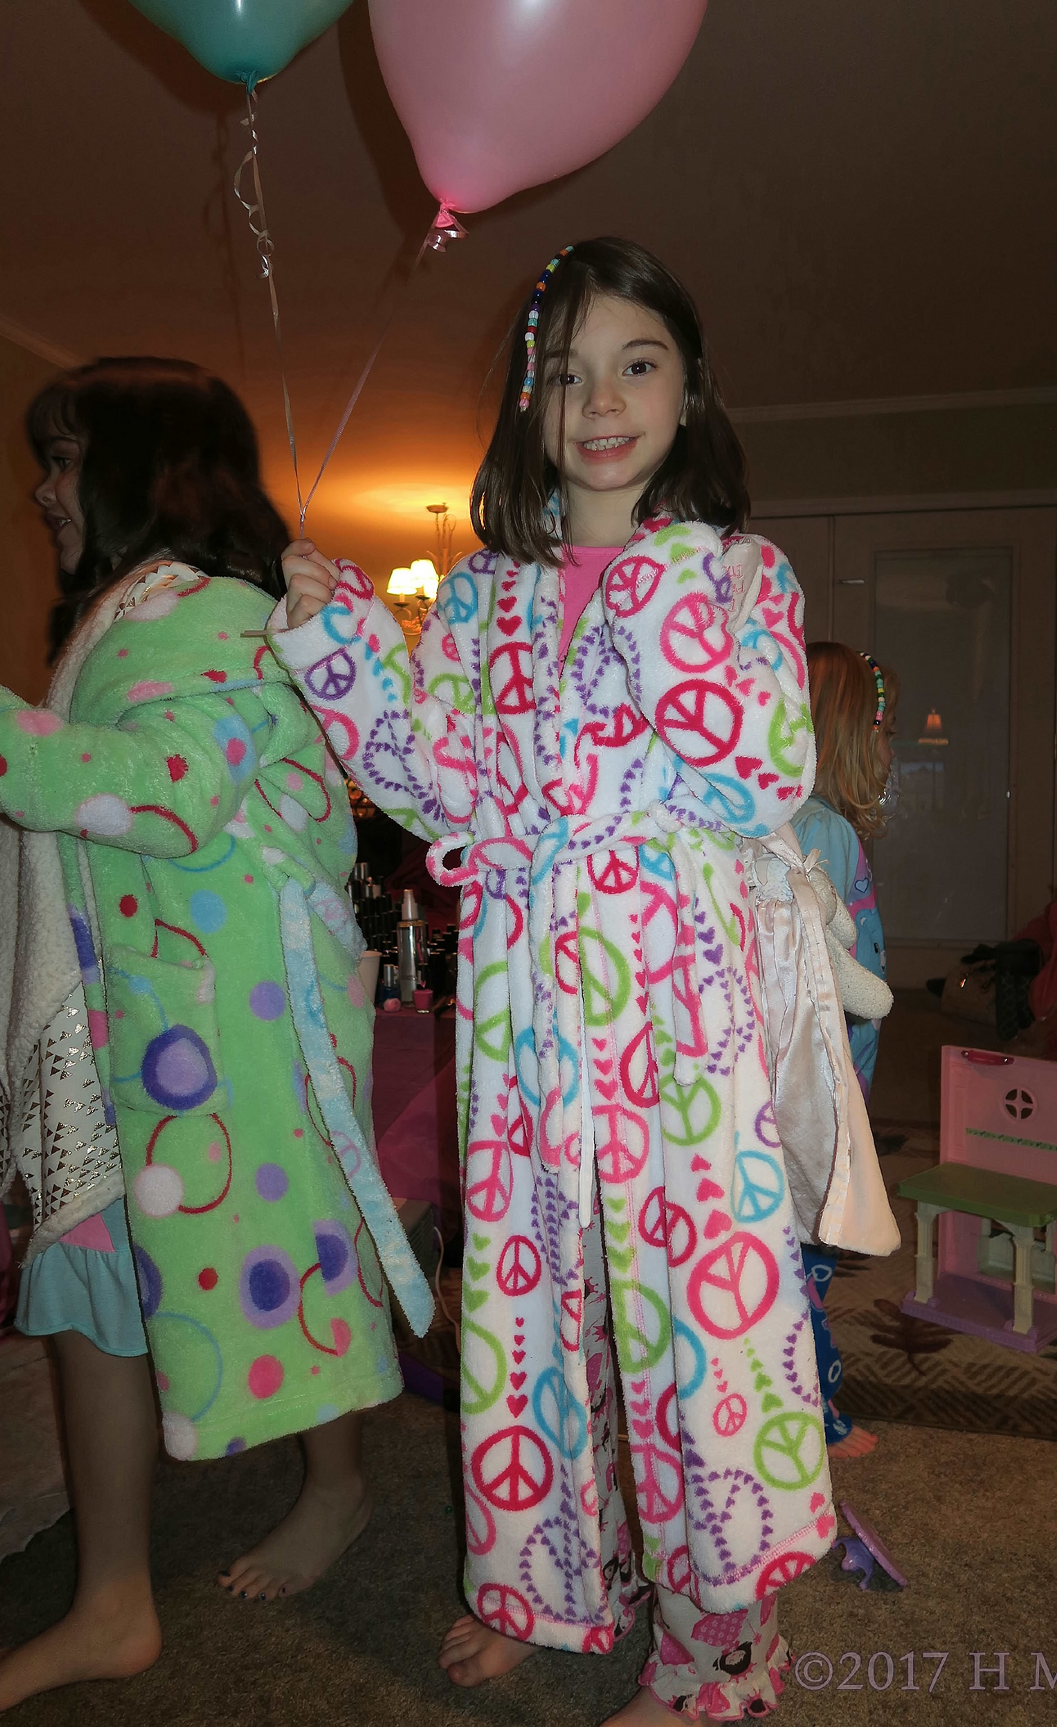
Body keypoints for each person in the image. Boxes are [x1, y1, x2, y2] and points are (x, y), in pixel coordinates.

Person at [274, 239, 836, 1724]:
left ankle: (725, 1645)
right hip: (523, 1000)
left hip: (671, 1012)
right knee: (534, 1310)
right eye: (566, 370)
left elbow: (770, 766)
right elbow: (437, 786)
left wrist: (652, 593)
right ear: (530, 401)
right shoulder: (479, 604)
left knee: (691, 1324)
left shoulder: (736, 575)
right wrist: (339, 647)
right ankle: (554, 1583)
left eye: (635, 362)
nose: (599, 400)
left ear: (690, 385)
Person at [0, 358, 430, 1716]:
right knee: (92, 1274)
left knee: (291, 1245)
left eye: (65, 458)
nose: (45, 487)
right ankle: (114, 1598)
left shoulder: (223, 618)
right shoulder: (123, 620)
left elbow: (159, 796)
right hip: (118, 1021)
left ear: (143, 469)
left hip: (227, 1034)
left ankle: (338, 1488)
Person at [789, 641, 898, 1462]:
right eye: (879, 726)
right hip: (824, 1089)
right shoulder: (826, 833)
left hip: (789, 1079)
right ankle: (815, 1419)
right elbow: (851, 985)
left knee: (782, 1249)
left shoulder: (784, 823)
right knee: (810, 1263)